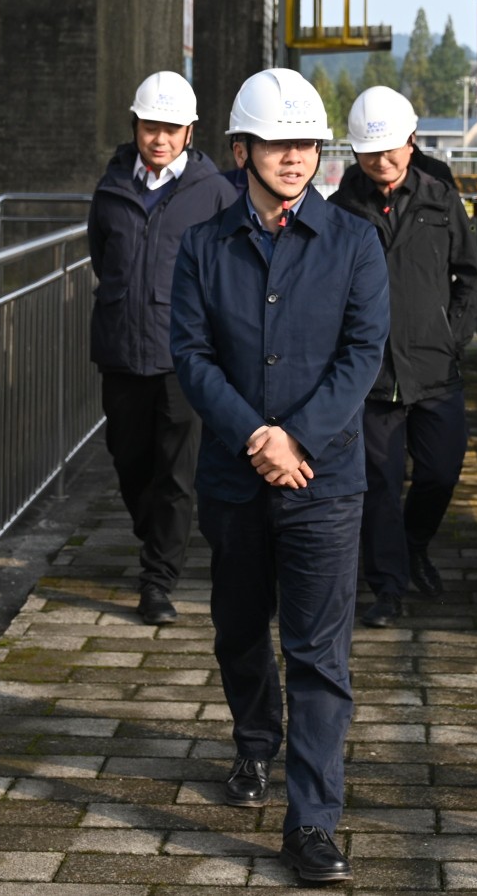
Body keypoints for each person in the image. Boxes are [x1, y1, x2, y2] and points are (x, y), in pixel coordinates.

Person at [169, 67, 389, 885]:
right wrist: (255, 436)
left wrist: (295, 439)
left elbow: (362, 354)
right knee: (237, 629)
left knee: (319, 653)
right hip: (233, 481)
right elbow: (191, 355)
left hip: (323, 484)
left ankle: (313, 822)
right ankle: (255, 741)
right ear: (241, 151)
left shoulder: (355, 243)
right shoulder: (203, 246)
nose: (294, 158)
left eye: (305, 144)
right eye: (276, 144)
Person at [87, 71, 239, 626]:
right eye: (151, 127)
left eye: (172, 129)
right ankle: (155, 536)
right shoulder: (111, 186)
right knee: (129, 460)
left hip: (183, 357)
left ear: (190, 132)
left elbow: (228, 271)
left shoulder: (214, 192)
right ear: (136, 126)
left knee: (177, 473)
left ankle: (158, 581)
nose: (160, 139)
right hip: (121, 350)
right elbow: (102, 255)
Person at [331, 86, 477, 627]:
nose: (381, 161)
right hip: (371, 376)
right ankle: (388, 588)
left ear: (412, 141)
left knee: (441, 471)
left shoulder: (440, 199)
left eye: (390, 149)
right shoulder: (340, 210)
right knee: (379, 484)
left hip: (435, 368)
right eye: (369, 152)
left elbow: (471, 278)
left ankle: (413, 543)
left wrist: (452, 337)